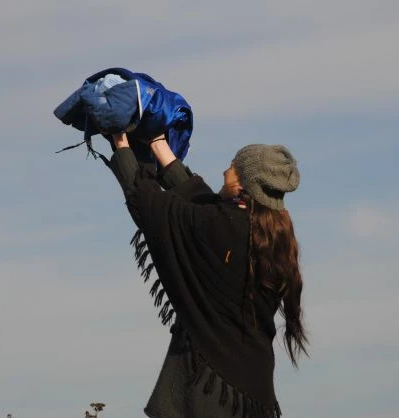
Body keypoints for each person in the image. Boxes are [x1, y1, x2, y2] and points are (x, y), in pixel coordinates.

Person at [108, 132, 308, 418]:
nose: (225, 170)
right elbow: (201, 202)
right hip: (254, 395)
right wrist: (157, 145)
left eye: (232, 165)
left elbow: (150, 206)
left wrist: (121, 144)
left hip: (208, 395)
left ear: (241, 183)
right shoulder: (275, 236)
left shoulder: (218, 226)